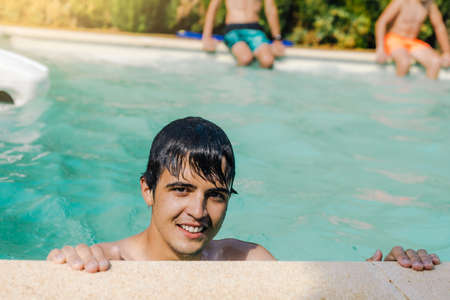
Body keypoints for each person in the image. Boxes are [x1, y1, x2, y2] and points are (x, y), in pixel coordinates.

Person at [47, 117, 441, 273]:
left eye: (215, 196)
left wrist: (385, 273)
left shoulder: (245, 259)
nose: (198, 212)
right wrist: (71, 263)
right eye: (181, 190)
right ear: (148, 190)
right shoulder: (109, 262)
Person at [375, 0, 450, 79]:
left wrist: (447, 52)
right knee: (404, 62)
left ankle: (428, 90)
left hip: (412, 42)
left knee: (435, 62)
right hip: (394, 39)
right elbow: (382, 22)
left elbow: (439, 27)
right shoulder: (402, 2)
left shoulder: (429, 5)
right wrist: (380, 48)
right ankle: (399, 90)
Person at [202, 0, 285, 68]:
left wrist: (277, 39)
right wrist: (206, 37)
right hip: (233, 29)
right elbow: (213, 8)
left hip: (255, 29)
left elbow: (270, 9)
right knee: (245, 58)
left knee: (268, 61)